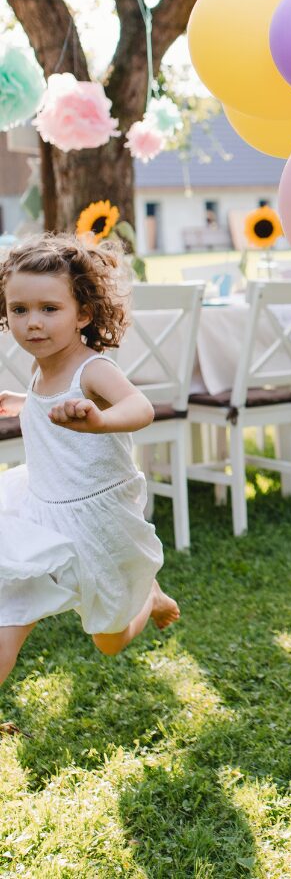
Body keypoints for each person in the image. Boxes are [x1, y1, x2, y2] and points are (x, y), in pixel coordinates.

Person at [0, 234, 179, 731]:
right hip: (39, 511)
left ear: (83, 314)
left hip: (97, 521)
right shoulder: (39, 369)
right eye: (19, 309)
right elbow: (46, 402)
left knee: (109, 639)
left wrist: (99, 421)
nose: (33, 322)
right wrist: (22, 400)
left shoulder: (93, 369)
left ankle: (148, 597)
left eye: (49, 308)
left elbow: (139, 408)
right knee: (7, 609)